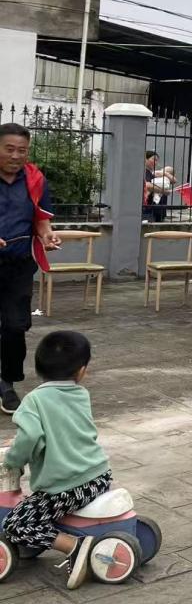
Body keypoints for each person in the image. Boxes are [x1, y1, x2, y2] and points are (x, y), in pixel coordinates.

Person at [1, 331, 111, 589]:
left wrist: (13, 460)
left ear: (38, 367)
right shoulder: (80, 394)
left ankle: (75, 546)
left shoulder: (34, 401)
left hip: (66, 487)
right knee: (35, 507)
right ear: (81, 371)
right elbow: (61, 429)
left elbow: (30, 437)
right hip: (99, 476)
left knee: (16, 523)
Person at [0, 123, 60, 415]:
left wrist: (47, 235)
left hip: (19, 264)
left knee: (15, 326)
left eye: (21, 150)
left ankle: (7, 382)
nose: (15, 156)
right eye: (9, 149)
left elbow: (41, 220)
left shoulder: (34, 179)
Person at [142, 151, 160, 222]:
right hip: (146, 209)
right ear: (145, 159)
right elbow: (146, 185)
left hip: (152, 209)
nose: (156, 162)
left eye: (157, 161)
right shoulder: (144, 172)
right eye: (154, 159)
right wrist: (163, 190)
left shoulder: (151, 173)